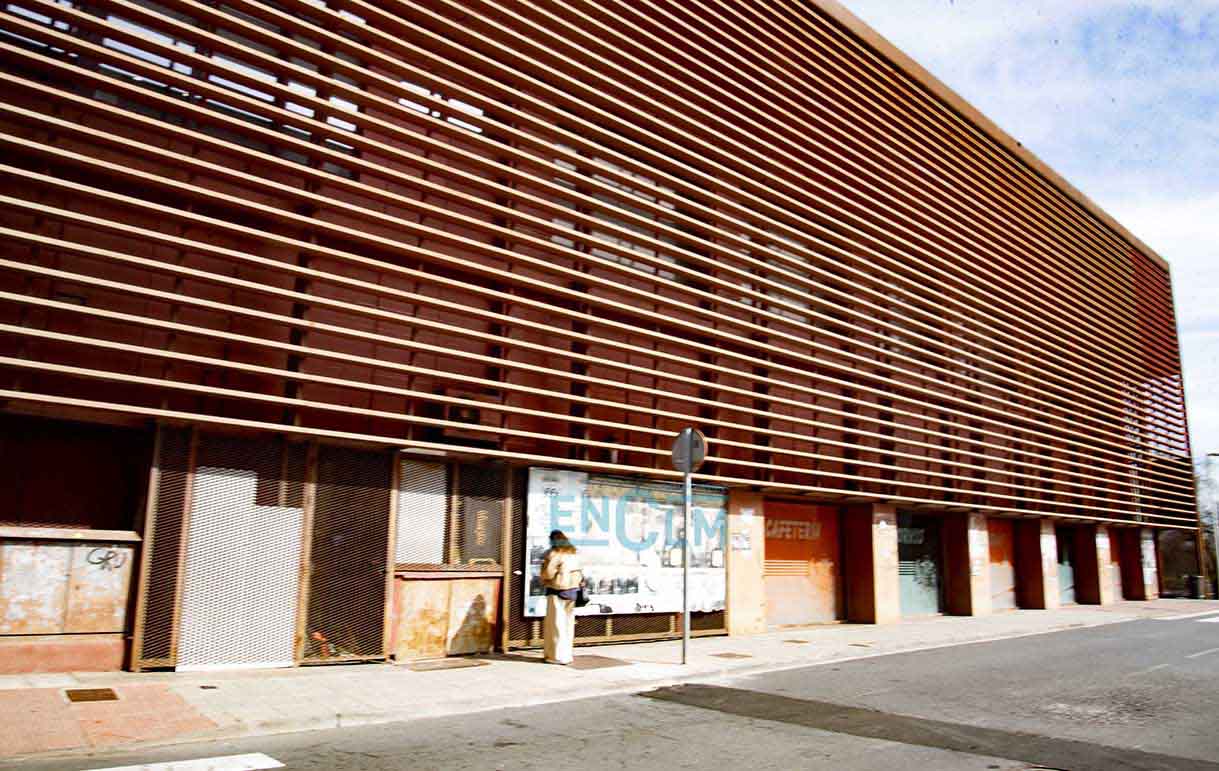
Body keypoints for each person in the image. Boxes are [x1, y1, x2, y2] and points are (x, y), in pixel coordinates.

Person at [539, 529, 582, 665]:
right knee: (568, 625)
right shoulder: (573, 553)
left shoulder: (554, 554)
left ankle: (555, 656)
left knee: (555, 625)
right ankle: (567, 655)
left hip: (557, 591)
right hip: (573, 592)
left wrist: (543, 574)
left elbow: (547, 574)